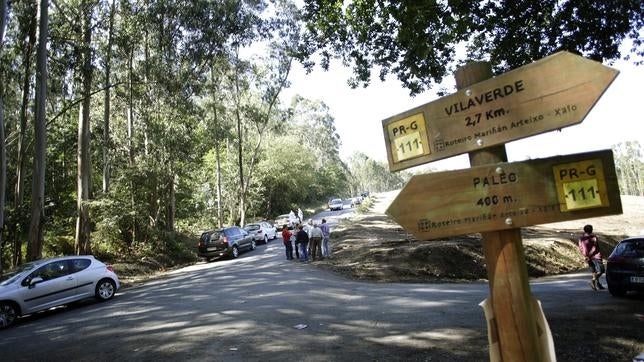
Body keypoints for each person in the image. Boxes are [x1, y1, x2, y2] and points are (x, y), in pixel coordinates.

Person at [578, 224, 605, 291]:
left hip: (588, 257)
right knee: (601, 270)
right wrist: (589, 255)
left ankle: (598, 284)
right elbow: (594, 248)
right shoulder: (594, 237)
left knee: (594, 271)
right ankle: (592, 281)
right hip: (596, 256)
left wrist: (585, 255)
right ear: (591, 230)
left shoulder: (581, 238)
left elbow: (580, 248)